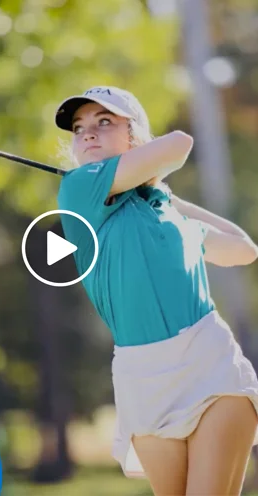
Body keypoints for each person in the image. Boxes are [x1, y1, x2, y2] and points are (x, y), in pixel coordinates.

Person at [55, 86, 258, 496]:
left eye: (104, 122)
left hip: (211, 364)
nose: (88, 134)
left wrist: (170, 198)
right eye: (80, 129)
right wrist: (148, 175)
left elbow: (243, 249)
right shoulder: (79, 188)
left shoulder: (168, 215)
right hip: (140, 377)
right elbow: (177, 148)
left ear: (135, 137)